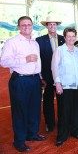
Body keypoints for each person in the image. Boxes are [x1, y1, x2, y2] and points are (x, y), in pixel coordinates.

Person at [0, 16, 46, 152]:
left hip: (35, 80)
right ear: (19, 27)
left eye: (29, 24)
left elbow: (38, 62)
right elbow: (3, 61)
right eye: (23, 25)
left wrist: (40, 76)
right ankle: (19, 141)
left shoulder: (34, 43)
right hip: (20, 80)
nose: (26, 27)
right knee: (20, 111)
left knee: (34, 108)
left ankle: (32, 134)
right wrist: (24, 59)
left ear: (32, 26)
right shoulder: (12, 42)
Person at [36, 16, 65, 132]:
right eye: (50, 24)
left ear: (57, 25)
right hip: (47, 77)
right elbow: (38, 60)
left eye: (54, 24)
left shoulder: (64, 39)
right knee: (48, 101)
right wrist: (40, 76)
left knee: (62, 100)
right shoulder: (39, 40)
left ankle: (63, 121)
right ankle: (50, 123)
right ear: (47, 26)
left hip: (62, 76)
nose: (52, 26)